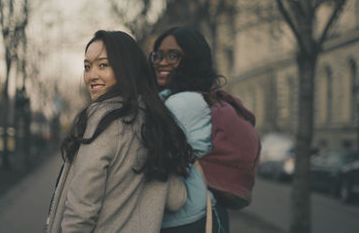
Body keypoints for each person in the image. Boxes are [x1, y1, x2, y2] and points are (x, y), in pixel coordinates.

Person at [45, 30, 193, 233]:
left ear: (126, 69)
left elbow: (81, 212)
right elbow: (176, 200)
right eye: (87, 67)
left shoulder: (102, 120)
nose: (92, 75)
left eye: (103, 65)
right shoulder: (154, 125)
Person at [150, 27, 229, 233]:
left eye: (173, 56)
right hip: (198, 213)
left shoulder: (182, 103)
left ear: (192, 60)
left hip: (190, 219)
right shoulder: (184, 97)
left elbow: (150, 154)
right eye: (157, 55)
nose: (161, 62)